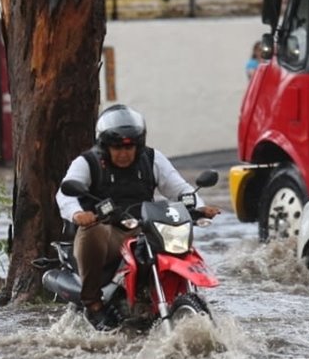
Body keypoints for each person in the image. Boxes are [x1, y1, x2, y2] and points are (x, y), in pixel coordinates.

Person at [56, 104, 221, 331]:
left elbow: (179, 189)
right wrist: (77, 214)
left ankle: (171, 298)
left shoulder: (152, 159)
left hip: (143, 227)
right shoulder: (87, 163)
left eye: (129, 147)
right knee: (93, 230)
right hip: (108, 232)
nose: (124, 153)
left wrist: (199, 208)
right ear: (105, 147)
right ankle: (93, 303)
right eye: (117, 148)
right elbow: (64, 195)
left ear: (138, 145)